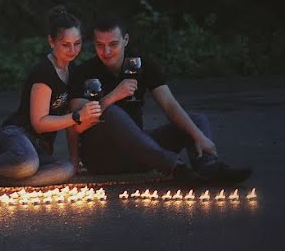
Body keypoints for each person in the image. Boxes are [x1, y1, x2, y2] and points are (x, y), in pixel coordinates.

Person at [0, 6, 102, 191]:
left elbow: (73, 121)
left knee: (65, 170)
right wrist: (77, 117)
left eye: (77, 43)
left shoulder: (73, 72)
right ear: (51, 42)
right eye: (65, 44)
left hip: (40, 149)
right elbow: (40, 123)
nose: (72, 50)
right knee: (27, 164)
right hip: (17, 136)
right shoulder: (44, 72)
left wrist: (75, 159)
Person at [68, 12, 251, 183]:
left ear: (126, 40)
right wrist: (112, 96)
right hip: (105, 158)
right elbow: (77, 124)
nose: (106, 52)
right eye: (100, 45)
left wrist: (198, 136)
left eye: (113, 44)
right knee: (111, 111)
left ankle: (208, 166)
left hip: (142, 153)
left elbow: (169, 105)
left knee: (196, 120)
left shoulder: (140, 64)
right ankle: (174, 168)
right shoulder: (83, 72)